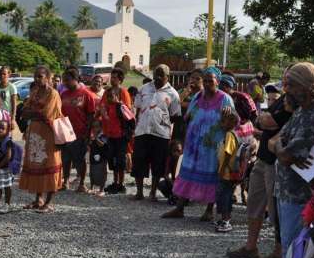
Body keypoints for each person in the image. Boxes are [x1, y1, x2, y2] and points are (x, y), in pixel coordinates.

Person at [226, 69, 294, 258]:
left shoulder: (296, 104)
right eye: (285, 77)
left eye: (289, 77)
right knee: (255, 203)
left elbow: (268, 121)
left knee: (275, 211)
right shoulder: (282, 99)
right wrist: (265, 119)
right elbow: (259, 120)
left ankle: (279, 252)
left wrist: (266, 119)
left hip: (277, 162)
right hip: (264, 157)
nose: (285, 80)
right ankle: (251, 246)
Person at [270, 62, 314, 258]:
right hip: (288, 191)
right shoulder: (301, 112)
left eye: (291, 85)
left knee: (296, 250)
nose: (287, 90)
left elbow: (286, 157)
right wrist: (280, 146)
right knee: (289, 247)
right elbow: (274, 142)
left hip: (300, 195)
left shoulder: (313, 116)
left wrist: (281, 148)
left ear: (306, 87)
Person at [163, 67, 234, 221]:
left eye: (211, 81)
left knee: (211, 176)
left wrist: (228, 116)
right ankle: (180, 208)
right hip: (193, 145)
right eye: (206, 81)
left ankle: (209, 210)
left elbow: (233, 123)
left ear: (218, 82)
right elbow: (187, 116)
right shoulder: (197, 97)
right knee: (186, 173)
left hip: (211, 147)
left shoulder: (225, 99)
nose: (208, 84)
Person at [131, 64, 181, 201]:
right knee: (139, 161)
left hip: (161, 134)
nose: (157, 77)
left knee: (158, 164)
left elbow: (175, 115)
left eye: (161, 75)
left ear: (168, 77)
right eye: (156, 74)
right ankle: (139, 192)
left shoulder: (173, 94)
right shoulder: (144, 89)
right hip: (142, 131)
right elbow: (138, 109)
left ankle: (152, 193)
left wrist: (162, 123)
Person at [19, 65, 63, 213]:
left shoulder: (53, 93)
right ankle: (38, 199)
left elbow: (46, 114)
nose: (37, 79)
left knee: (50, 163)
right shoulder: (35, 92)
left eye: (40, 76)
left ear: (48, 78)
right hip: (35, 134)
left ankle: (49, 202)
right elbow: (24, 111)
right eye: (35, 76)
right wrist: (33, 112)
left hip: (48, 135)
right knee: (36, 164)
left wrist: (32, 112)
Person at [60, 68, 96, 192]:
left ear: (75, 79)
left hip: (80, 132)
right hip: (66, 132)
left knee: (80, 159)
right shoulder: (63, 94)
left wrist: (88, 133)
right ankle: (65, 181)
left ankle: (81, 183)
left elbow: (91, 114)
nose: (65, 83)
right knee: (66, 158)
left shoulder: (86, 94)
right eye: (64, 80)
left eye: (67, 80)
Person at [100, 68, 132, 194]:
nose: (112, 79)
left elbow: (127, 110)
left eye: (114, 77)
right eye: (111, 77)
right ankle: (114, 181)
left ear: (120, 79)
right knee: (111, 158)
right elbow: (102, 106)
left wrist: (117, 102)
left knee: (121, 159)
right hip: (109, 131)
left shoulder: (123, 92)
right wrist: (104, 114)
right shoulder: (107, 91)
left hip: (121, 132)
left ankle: (121, 182)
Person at [215, 110, 243, 233]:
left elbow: (227, 153)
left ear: (232, 122)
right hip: (228, 172)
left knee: (224, 196)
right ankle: (223, 218)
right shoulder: (233, 134)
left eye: (224, 121)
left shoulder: (230, 135)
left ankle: (226, 220)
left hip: (227, 173)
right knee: (223, 195)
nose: (222, 124)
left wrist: (221, 169)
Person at [0, 66, 17, 130]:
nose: (2, 76)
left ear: (9, 74)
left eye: (4, 74)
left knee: (7, 136)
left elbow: (14, 104)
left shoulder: (12, 87)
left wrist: (13, 119)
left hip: (7, 115)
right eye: (0, 74)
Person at [89, 120, 108, 197]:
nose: (94, 129)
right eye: (93, 127)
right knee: (92, 172)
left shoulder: (103, 135)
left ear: (101, 127)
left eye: (96, 127)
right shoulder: (92, 136)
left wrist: (96, 137)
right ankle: (91, 187)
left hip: (102, 158)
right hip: (93, 157)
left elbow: (101, 144)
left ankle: (101, 189)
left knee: (102, 172)